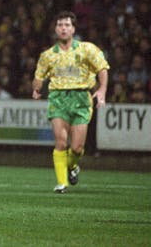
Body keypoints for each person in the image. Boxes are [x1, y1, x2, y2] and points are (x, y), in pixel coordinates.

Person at [32, 11, 109, 194]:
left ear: (73, 29)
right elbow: (39, 77)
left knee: (76, 148)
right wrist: (36, 88)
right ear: (56, 29)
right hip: (58, 98)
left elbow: (102, 68)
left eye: (67, 25)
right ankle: (61, 183)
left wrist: (102, 90)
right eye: (60, 25)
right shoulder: (48, 55)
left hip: (81, 98)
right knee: (60, 142)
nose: (63, 28)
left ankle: (72, 166)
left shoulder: (87, 49)